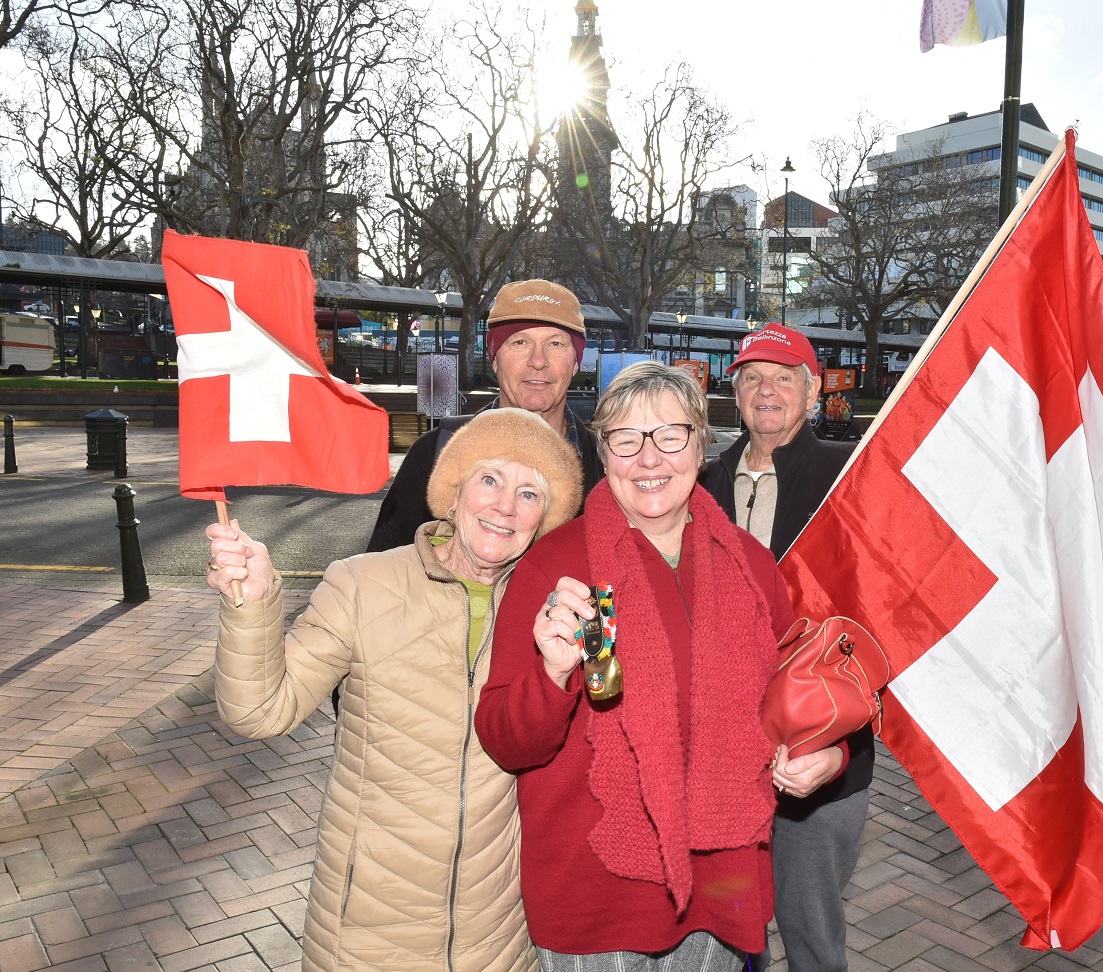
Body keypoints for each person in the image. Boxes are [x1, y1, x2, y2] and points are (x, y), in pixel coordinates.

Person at [476, 362, 832, 971]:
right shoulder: (555, 567)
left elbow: (797, 701)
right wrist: (553, 676)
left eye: (670, 435)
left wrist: (826, 752)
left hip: (722, 889)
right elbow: (507, 740)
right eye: (625, 438)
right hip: (597, 902)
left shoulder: (749, 564)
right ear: (602, 451)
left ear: (700, 446)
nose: (649, 459)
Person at [205, 408, 583, 972]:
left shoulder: (553, 609)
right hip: (368, 931)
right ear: (452, 494)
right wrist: (252, 606)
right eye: (489, 479)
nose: (505, 506)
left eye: (530, 494)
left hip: (499, 937)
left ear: (544, 519)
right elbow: (260, 710)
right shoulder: (362, 583)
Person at [701, 322, 870, 972]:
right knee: (730, 932)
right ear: (734, 391)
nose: (765, 391)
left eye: (782, 377)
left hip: (819, 760)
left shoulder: (849, 481)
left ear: (811, 390)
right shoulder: (702, 482)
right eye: (751, 378)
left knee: (811, 939)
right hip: (721, 758)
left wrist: (841, 749)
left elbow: (879, 627)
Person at [367, 278, 604, 553]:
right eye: (520, 342)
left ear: (576, 362)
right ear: (493, 358)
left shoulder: (606, 465)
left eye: (555, 344)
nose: (538, 361)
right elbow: (384, 574)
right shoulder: (434, 455)